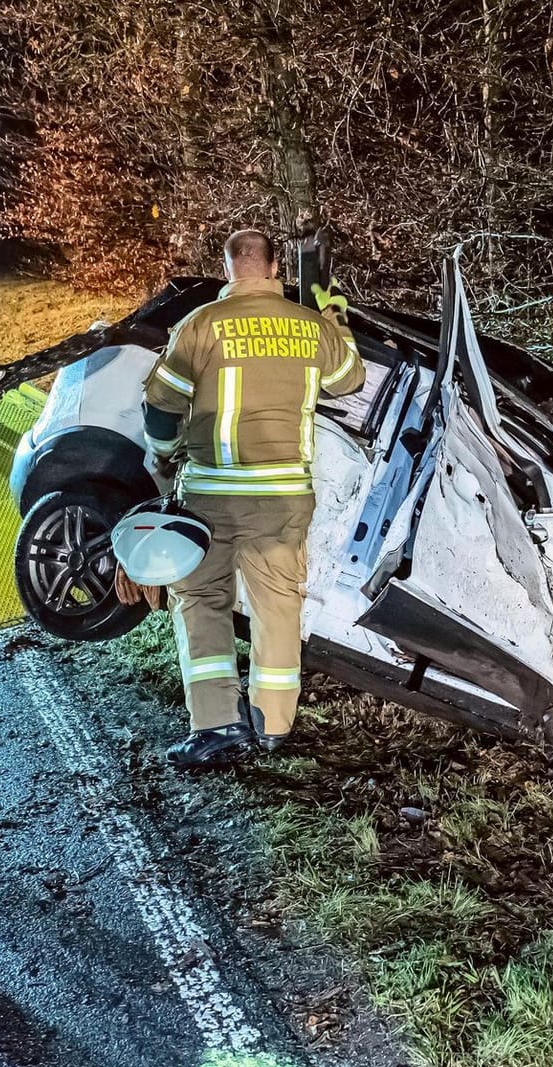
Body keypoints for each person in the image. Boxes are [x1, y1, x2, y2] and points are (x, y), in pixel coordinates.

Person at [140, 229, 364, 767]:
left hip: (210, 495)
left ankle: (217, 726)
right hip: (283, 499)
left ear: (229, 268)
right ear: (275, 267)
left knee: (201, 601)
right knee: (279, 608)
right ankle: (272, 725)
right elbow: (349, 380)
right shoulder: (311, 328)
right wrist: (335, 316)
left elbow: (160, 406)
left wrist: (162, 454)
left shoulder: (198, 326)